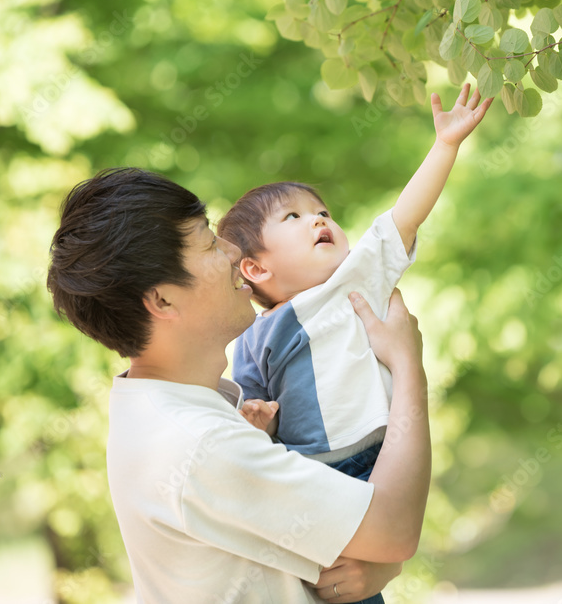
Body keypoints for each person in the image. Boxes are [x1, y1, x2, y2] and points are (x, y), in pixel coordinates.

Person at [47, 167, 431, 603]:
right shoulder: (202, 444)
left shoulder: (169, 413)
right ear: (162, 300)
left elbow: (361, 548)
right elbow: (392, 530)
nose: (233, 251)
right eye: (210, 242)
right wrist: (406, 366)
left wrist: (376, 562)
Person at [215, 85, 491, 552]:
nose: (319, 220)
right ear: (256, 268)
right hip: (312, 474)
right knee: (337, 578)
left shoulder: (355, 281)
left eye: (323, 212)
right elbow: (252, 403)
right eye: (294, 217)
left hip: (381, 460)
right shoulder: (251, 334)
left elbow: (403, 218)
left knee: (373, 562)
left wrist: (445, 145)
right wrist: (257, 420)